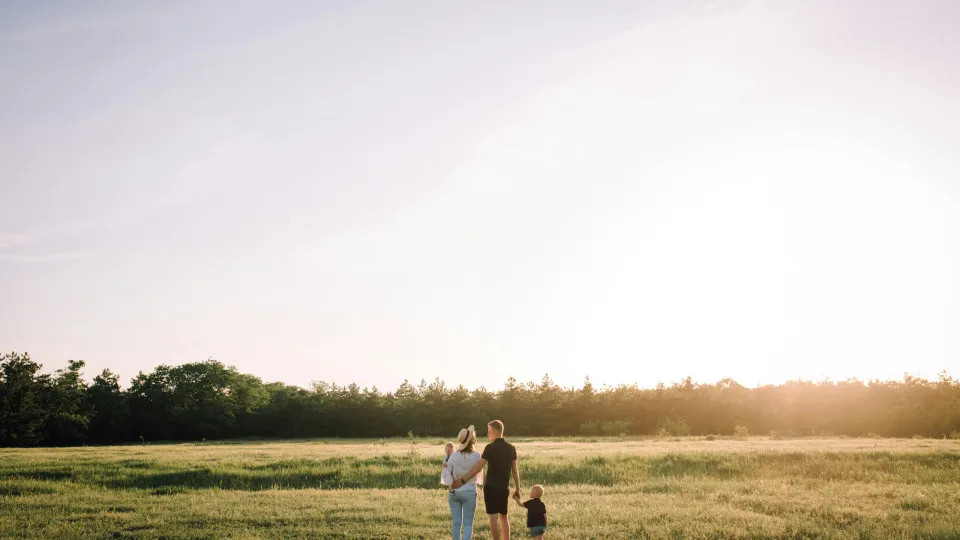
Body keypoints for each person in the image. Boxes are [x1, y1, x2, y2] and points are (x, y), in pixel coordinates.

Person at [451, 420, 521, 540]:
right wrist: (518, 489)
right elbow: (515, 470)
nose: (488, 434)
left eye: (489, 432)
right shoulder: (511, 448)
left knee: (493, 517)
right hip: (504, 487)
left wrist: (462, 481)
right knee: (504, 516)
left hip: (491, 488)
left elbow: (478, 468)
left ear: (495, 432)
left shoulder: (490, 447)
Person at [446, 425, 483, 540]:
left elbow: (447, 474)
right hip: (469, 492)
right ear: (472, 440)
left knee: (456, 523)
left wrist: (450, 487)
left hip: (454, 493)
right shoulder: (477, 456)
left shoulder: (453, 456)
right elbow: (479, 474)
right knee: (468, 524)